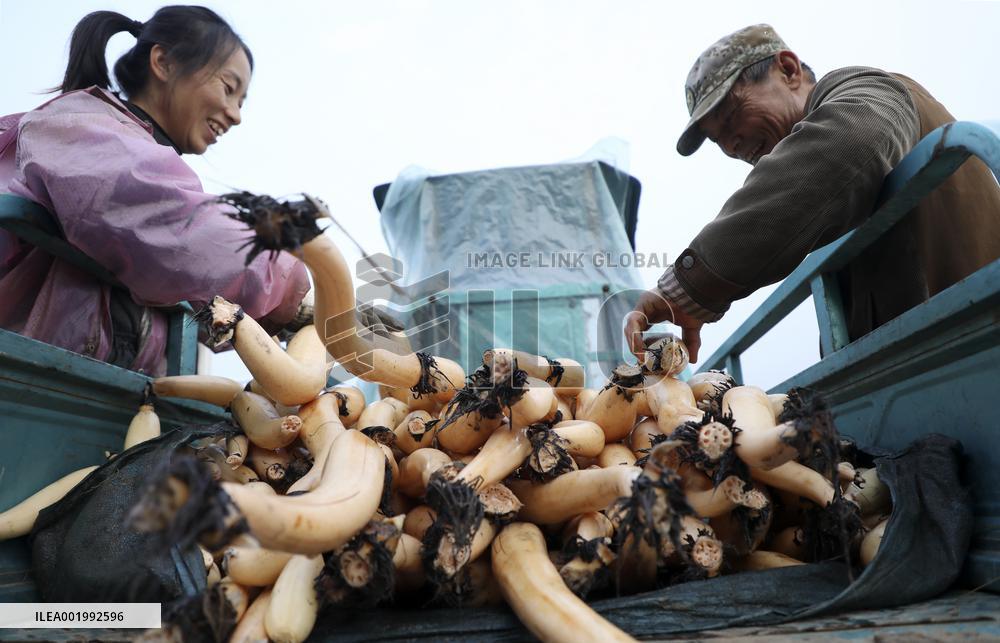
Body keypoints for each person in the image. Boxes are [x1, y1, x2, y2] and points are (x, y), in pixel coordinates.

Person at [625, 24, 1000, 364]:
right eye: (717, 138)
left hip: (974, 356)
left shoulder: (869, 90)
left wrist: (689, 287)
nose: (730, 145)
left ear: (788, 70)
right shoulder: (824, 200)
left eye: (732, 116)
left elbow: (855, 142)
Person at [0, 6, 310, 375]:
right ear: (163, 62)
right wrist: (292, 285)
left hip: (109, 388)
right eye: (228, 89)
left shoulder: (141, 156)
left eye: (241, 102)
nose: (236, 115)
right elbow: (183, 236)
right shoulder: (83, 133)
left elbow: (194, 295)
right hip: (34, 379)